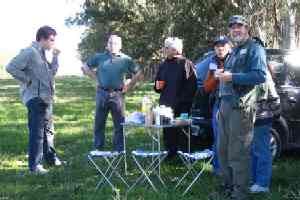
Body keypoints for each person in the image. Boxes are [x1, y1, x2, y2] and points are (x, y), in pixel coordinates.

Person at [216, 15, 267, 200]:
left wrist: (232, 77)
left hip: (241, 107)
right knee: (223, 150)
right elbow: (231, 74)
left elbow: (260, 76)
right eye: (233, 27)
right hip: (225, 105)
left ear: (247, 28)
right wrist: (223, 74)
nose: (236, 30)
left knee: (238, 152)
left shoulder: (255, 49)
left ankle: (240, 193)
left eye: (240, 26)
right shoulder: (235, 50)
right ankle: (228, 187)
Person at [6, 26, 63, 174]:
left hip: (46, 98)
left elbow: (52, 73)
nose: (53, 43)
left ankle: (50, 159)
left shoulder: (43, 54)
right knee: (37, 133)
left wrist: (56, 57)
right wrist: (27, 81)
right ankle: (35, 166)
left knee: (48, 131)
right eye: (51, 40)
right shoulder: (30, 52)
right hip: (35, 98)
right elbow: (11, 67)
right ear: (42, 38)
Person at [82, 35, 138, 152]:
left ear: (120, 46)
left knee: (119, 123)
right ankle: (98, 147)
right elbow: (85, 67)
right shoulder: (99, 57)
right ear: (107, 45)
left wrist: (128, 84)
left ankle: (119, 149)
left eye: (116, 43)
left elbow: (138, 73)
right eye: (110, 43)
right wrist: (96, 79)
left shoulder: (126, 59)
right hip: (102, 93)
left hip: (118, 95)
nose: (113, 45)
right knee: (99, 122)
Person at [154, 37, 197, 158]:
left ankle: (185, 155)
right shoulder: (163, 64)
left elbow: (192, 86)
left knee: (183, 131)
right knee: (168, 130)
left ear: (176, 49)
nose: (164, 49)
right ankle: (170, 153)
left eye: (167, 47)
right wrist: (157, 85)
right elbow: (157, 84)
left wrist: (184, 103)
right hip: (165, 105)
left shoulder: (186, 63)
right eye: (165, 47)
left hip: (182, 105)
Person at [203, 36, 231, 175]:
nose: (220, 49)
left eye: (223, 45)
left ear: (229, 46)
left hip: (234, 103)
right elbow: (206, 87)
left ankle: (233, 169)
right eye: (217, 46)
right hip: (218, 103)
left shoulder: (235, 59)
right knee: (218, 137)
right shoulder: (213, 62)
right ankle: (218, 169)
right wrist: (215, 77)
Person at [250, 64, 280, 193]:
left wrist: (273, 113)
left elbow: (274, 98)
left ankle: (262, 184)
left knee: (261, 150)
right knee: (252, 149)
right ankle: (253, 179)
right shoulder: (248, 71)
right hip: (249, 118)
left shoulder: (263, 74)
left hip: (262, 118)